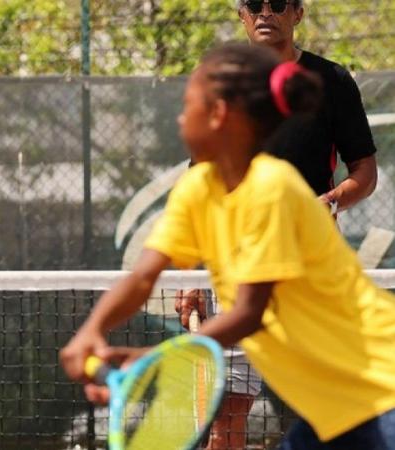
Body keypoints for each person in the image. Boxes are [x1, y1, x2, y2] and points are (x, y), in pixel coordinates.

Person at [59, 42, 395, 450]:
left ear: (218, 115)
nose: (180, 117)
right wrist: (91, 331)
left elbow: (251, 311)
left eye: (188, 105)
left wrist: (155, 359)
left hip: (382, 384)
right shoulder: (196, 190)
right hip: (334, 409)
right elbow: (145, 276)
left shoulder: (273, 189)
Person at [177, 1, 379, 447]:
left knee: (332, 404)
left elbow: (364, 172)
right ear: (241, 15)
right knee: (227, 411)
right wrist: (190, 272)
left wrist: (328, 203)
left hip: (311, 268)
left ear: (298, 13)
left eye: (278, 3)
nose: (266, 12)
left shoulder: (332, 82)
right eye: (253, 4)